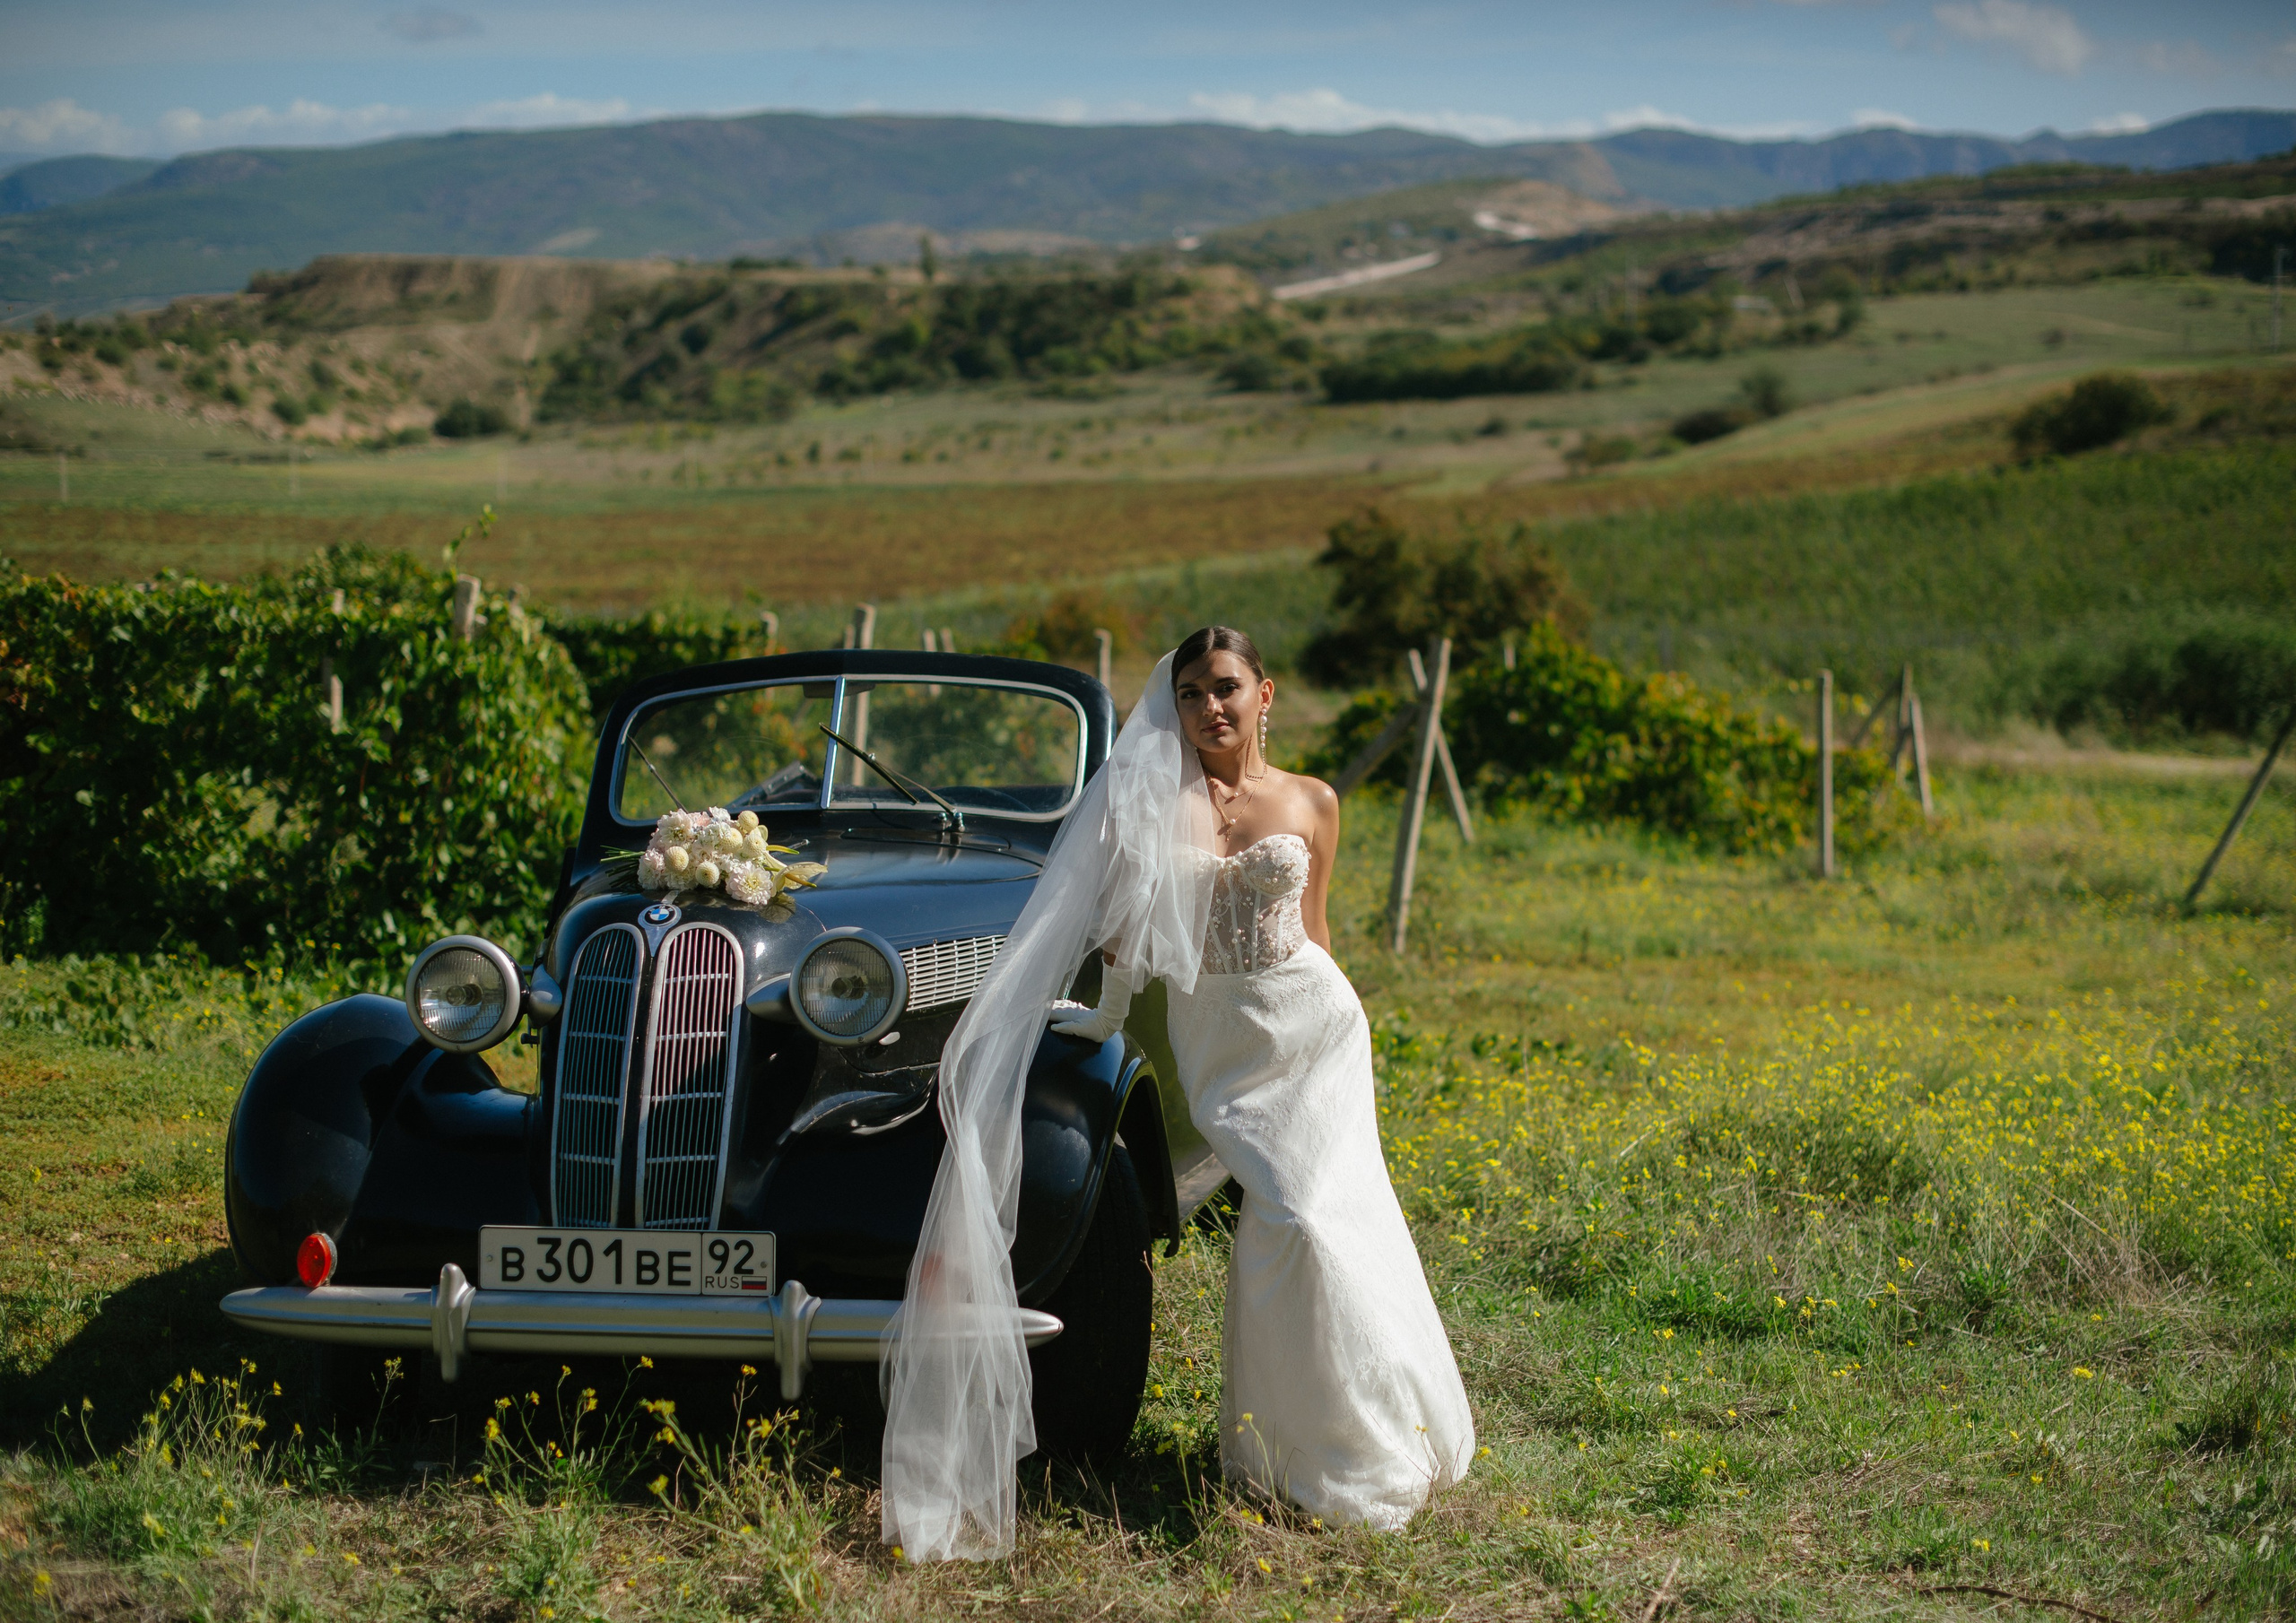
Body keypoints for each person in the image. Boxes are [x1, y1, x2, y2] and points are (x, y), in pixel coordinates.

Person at [879, 626, 1475, 1561]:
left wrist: (1346, 1033)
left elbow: (1314, 933)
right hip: (1225, 1052)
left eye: (1227, 688)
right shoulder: (1147, 808)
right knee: (1292, 1220)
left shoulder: (1312, 801)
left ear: (1265, 694)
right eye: (1192, 692)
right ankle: (1284, 1444)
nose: (1210, 707)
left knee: (1318, 1220)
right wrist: (1103, 1019)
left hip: (1315, 1033)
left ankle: (1356, 1448)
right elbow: (1118, 939)